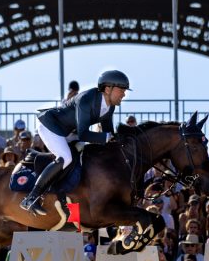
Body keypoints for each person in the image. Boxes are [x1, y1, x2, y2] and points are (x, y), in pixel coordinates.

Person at [21, 70, 129, 216]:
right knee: (66, 157)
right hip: (50, 125)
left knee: (86, 155)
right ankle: (31, 197)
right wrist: (107, 137)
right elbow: (84, 133)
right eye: (121, 90)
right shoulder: (86, 99)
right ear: (108, 89)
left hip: (68, 132)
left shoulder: (110, 107)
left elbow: (107, 132)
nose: (124, 94)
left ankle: (65, 194)